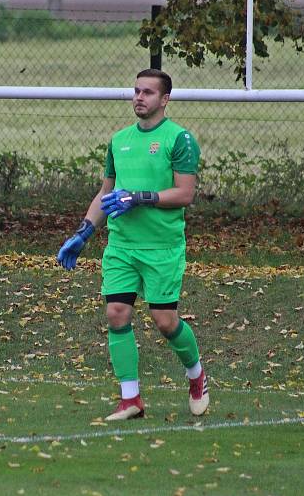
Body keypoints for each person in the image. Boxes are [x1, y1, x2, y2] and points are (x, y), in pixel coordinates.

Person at [56, 69, 208, 420]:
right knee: (116, 313)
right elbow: (107, 192)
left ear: (165, 99)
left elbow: (185, 193)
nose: (139, 97)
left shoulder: (179, 139)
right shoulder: (119, 140)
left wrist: (138, 197)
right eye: (137, 91)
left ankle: (196, 375)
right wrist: (83, 232)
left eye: (148, 93)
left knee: (165, 321)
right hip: (121, 245)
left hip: (161, 247)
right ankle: (131, 399)